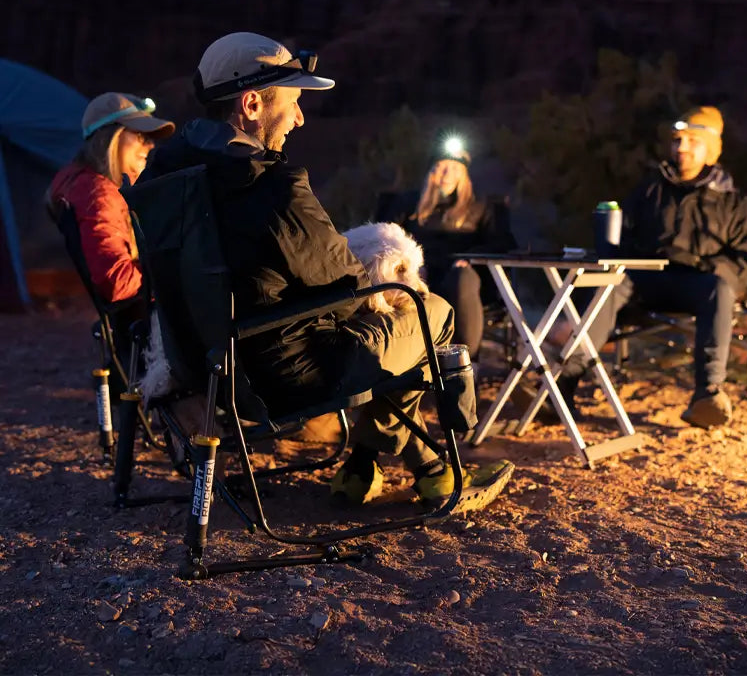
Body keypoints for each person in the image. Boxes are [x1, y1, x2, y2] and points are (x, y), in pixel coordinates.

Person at [138, 32, 510, 507]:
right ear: (252, 104)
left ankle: (370, 466)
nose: (299, 118)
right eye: (293, 102)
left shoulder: (164, 180)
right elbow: (348, 283)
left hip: (209, 368)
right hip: (295, 375)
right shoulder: (271, 187)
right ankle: (429, 469)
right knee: (430, 310)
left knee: (392, 327)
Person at [556, 106, 747, 429]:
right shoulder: (652, 189)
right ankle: (561, 384)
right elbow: (625, 237)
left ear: (711, 148)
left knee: (720, 288)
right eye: (678, 141)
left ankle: (708, 393)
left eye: (692, 141)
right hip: (647, 280)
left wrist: (716, 270)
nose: (681, 149)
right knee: (609, 282)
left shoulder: (733, 202)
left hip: (698, 283)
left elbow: (746, 260)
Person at [376, 135, 517, 362]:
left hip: (463, 277)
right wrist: (408, 266)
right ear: (431, 171)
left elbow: (502, 242)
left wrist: (470, 259)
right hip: (420, 274)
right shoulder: (408, 203)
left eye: (454, 168)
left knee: (461, 277)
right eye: (441, 167)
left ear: (464, 173)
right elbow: (386, 234)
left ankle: (465, 364)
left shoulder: (481, 206)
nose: (446, 174)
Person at [48, 91, 175, 313]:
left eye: (152, 139)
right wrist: (175, 277)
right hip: (143, 320)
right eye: (141, 136)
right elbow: (116, 281)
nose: (150, 146)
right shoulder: (98, 194)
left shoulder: (91, 186)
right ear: (110, 140)